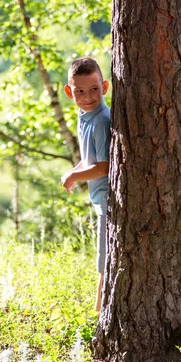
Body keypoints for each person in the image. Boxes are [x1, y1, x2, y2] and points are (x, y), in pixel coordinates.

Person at [61, 57, 111, 311]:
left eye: (94, 89)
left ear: (105, 87)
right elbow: (88, 160)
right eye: (79, 91)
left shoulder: (102, 121)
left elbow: (104, 167)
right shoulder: (85, 116)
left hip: (109, 201)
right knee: (104, 260)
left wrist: (75, 177)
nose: (87, 96)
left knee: (104, 264)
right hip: (99, 200)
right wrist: (74, 171)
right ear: (69, 92)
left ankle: (98, 315)